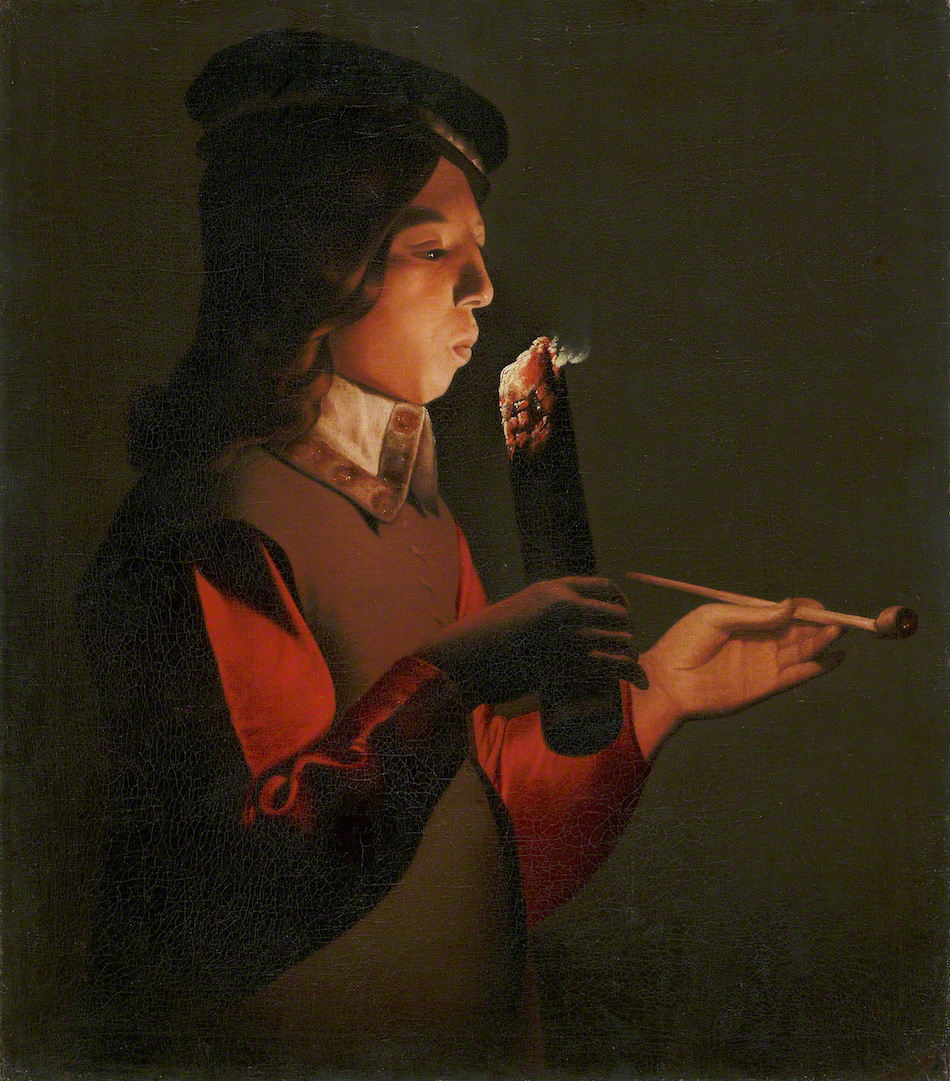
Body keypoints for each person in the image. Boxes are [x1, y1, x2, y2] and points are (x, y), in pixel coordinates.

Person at [77, 29, 844, 1077]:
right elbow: (242, 891)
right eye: (432, 249)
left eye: (476, 245)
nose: (482, 285)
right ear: (313, 266)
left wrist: (660, 694)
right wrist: (453, 675)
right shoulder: (212, 524)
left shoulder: (417, 514)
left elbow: (480, 839)